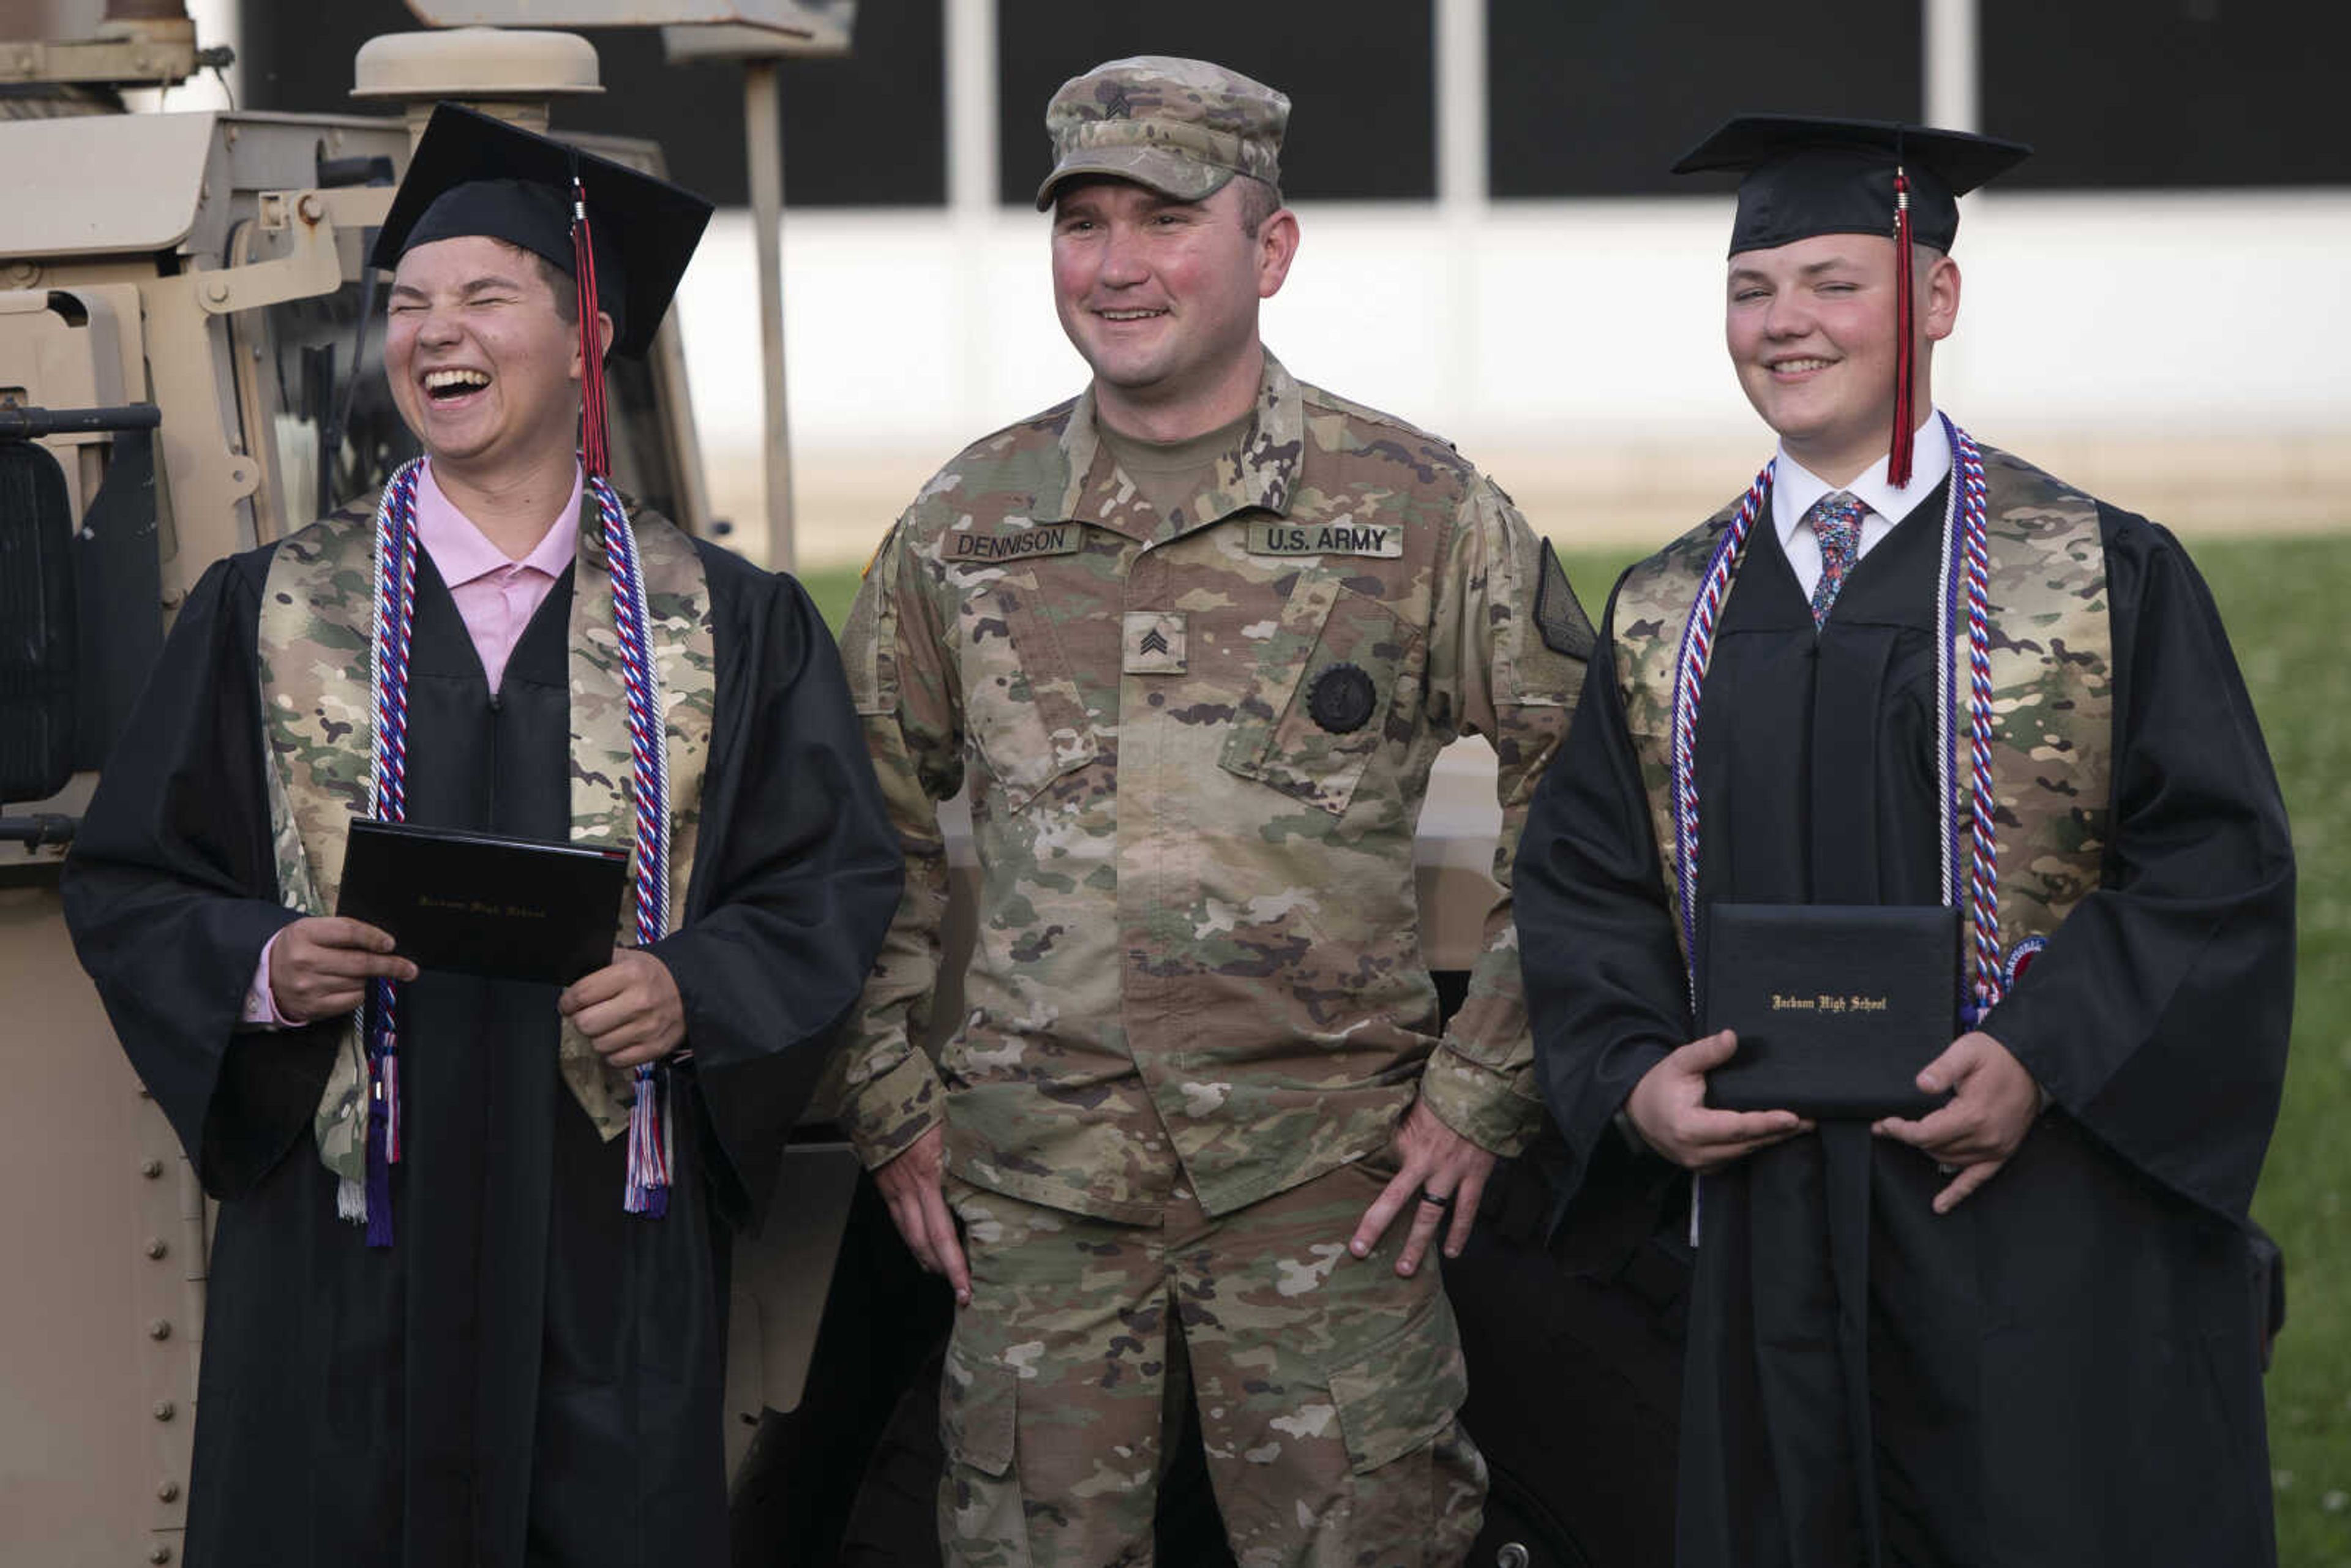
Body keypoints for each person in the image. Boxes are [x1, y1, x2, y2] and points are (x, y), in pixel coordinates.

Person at [62, 103, 903, 1567]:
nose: (432, 333)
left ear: (585, 336)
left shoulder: (730, 622)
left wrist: (698, 991)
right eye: (406, 305)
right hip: (348, 1236)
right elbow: (131, 877)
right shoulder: (269, 614)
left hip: (605, 1230)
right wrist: (265, 964)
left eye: (483, 296)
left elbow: (828, 880)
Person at [828, 54, 1592, 1566]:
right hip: (1037, 1199)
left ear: (1272, 247)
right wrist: (889, 1101)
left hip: (1328, 1189)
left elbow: (1585, 804)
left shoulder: (1420, 512)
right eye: (1083, 222)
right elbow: (858, 831)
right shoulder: (966, 526)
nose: (1117, 265)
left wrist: (1482, 1086)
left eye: (1167, 219)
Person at [1517, 114, 2295, 1567]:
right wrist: (1630, 1081)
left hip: (2026, 1212)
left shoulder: (2093, 577)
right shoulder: (1665, 610)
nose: (1784, 324)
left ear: (1934, 298)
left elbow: (2214, 868)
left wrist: (2042, 1053)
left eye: (1832, 282)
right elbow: (1586, 886)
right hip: (1765, 1229)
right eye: (1753, 290)